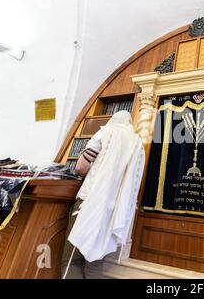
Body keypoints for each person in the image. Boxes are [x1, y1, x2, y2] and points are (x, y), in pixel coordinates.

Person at [62, 110, 145, 278]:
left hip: (90, 203)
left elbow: (80, 167)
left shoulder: (107, 131)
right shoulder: (138, 143)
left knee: (71, 259)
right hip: (114, 212)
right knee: (94, 264)